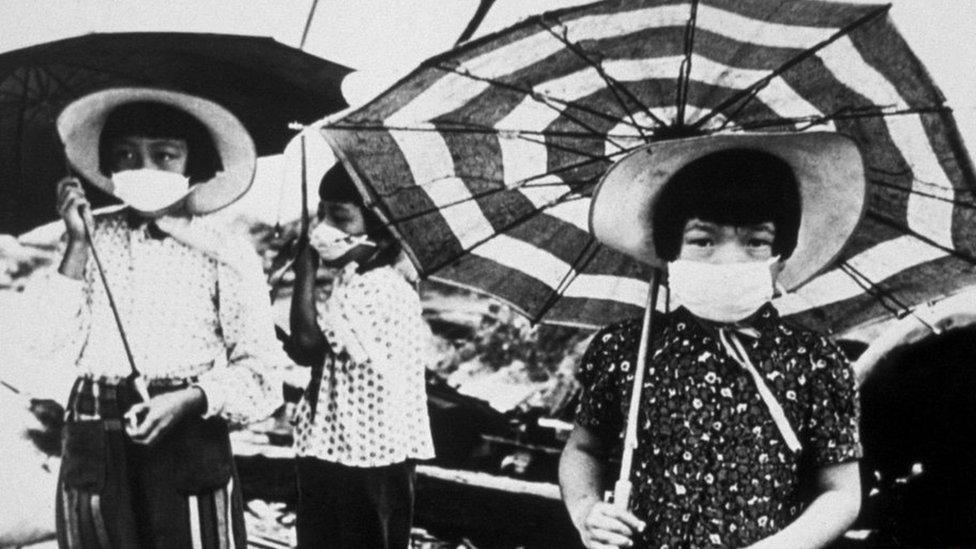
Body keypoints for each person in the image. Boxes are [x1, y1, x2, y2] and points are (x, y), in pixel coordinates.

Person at [561, 134, 866, 549]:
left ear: (782, 253)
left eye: (756, 242)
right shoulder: (627, 349)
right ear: (669, 249)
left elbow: (841, 492)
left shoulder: (813, 361)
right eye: (703, 240)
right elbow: (583, 449)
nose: (729, 260)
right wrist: (587, 511)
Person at [50, 87, 284, 548]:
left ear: (193, 165)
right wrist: (76, 245)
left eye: (165, 155)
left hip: (188, 437)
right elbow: (47, 344)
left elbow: (262, 374)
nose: (145, 169)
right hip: (95, 439)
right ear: (108, 167)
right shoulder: (92, 236)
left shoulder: (227, 252)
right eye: (126, 155)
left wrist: (192, 399)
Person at [287, 161, 435, 548]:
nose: (323, 229)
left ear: (379, 223)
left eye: (338, 217)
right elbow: (321, 355)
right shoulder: (355, 279)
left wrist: (305, 269)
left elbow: (306, 345)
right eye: (321, 215)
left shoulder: (380, 288)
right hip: (342, 448)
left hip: (369, 459)